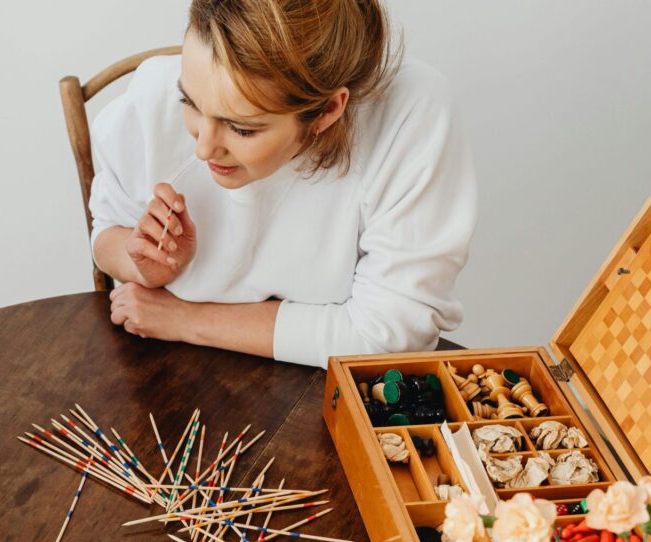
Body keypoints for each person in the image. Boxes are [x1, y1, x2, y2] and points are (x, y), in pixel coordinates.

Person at [90, 0, 477, 368]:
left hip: (326, 393)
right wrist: (144, 266)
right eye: (188, 101)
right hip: (161, 369)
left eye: (241, 128)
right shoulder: (152, 94)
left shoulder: (409, 115)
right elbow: (107, 228)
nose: (204, 149)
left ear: (327, 111)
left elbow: (390, 335)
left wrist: (186, 319)